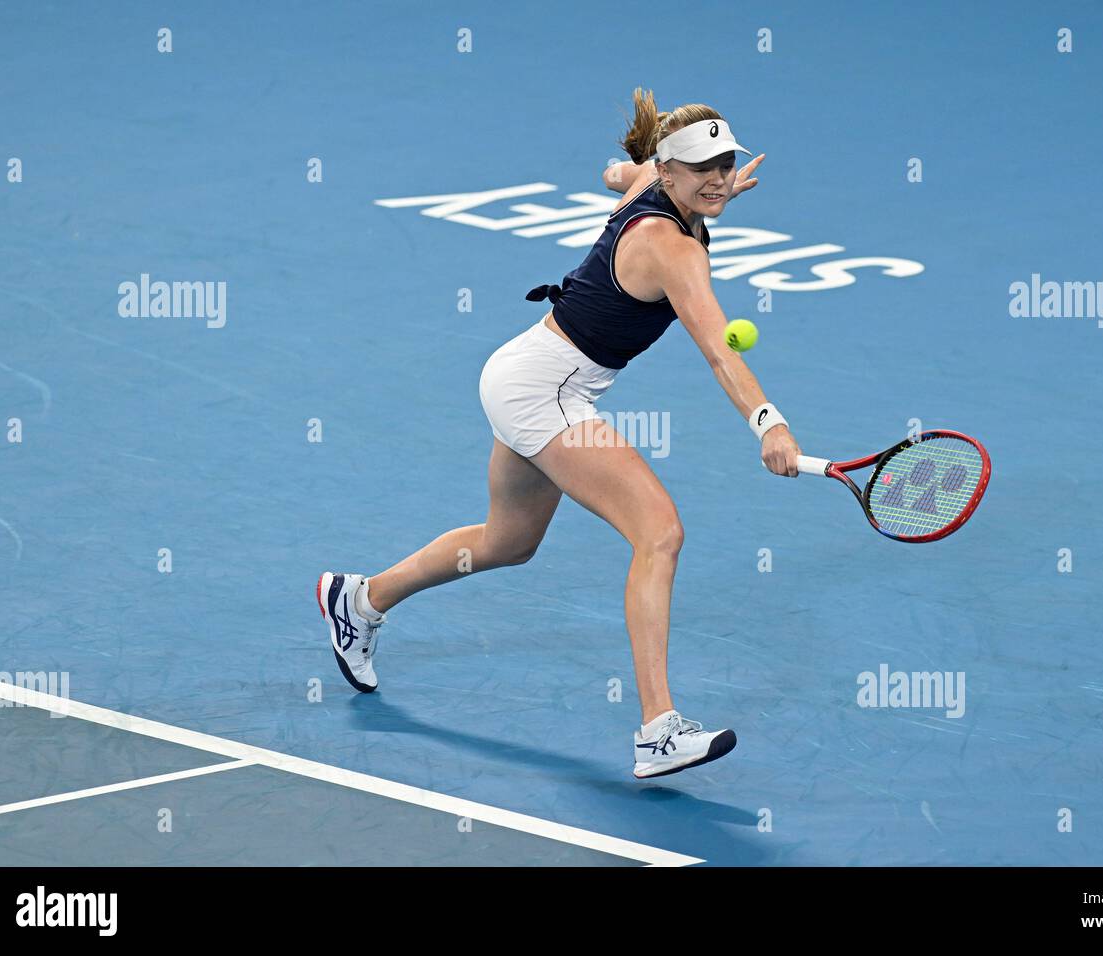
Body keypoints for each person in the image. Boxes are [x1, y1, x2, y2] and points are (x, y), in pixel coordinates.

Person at [317, 88, 802, 778]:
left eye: (725, 164)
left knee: (506, 542)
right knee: (659, 532)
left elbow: (624, 175)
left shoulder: (654, 185)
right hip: (548, 391)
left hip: (521, 372)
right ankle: (659, 728)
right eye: (703, 169)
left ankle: (359, 599)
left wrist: (650, 181)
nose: (720, 178)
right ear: (668, 174)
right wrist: (768, 424)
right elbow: (719, 348)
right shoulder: (672, 247)